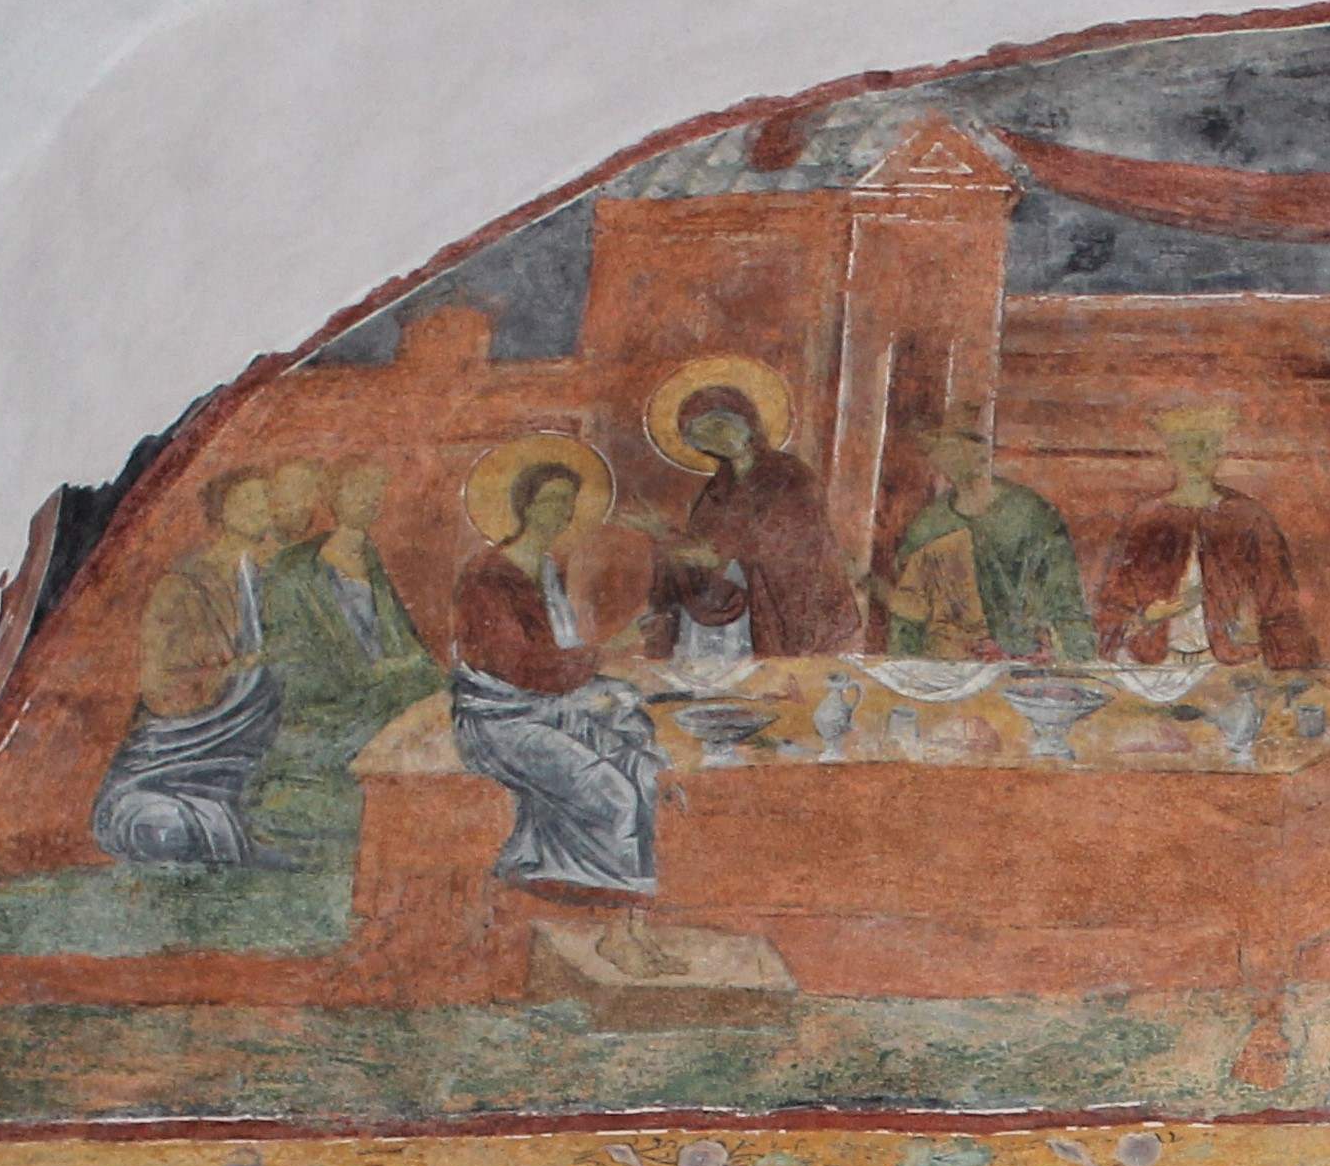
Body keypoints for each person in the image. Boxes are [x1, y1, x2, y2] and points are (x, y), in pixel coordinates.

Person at [446, 450, 664, 898]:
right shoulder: (488, 576)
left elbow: (555, 657)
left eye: (569, 501)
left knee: (642, 762)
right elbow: (521, 666)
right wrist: (607, 653)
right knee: (613, 796)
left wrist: (598, 673)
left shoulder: (547, 568)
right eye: (552, 500)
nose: (562, 512)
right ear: (525, 506)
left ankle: (560, 878)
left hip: (547, 703)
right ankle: (611, 906)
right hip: (502, 719)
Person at [246, 460, 440, 862]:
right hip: (324, 714)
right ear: (333, 497)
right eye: (356, 489)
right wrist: (369, 676)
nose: (368, 499)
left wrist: (409, 669)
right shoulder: (294, 567)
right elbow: (289, 662)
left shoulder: (372, 563)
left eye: (374, 491)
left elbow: (405, 644)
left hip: (386, 699)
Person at [96, 469, 287, 866]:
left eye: (264, 500)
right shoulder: (185, 582)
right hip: (185, 740)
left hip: (257, 736)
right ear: (221, 511)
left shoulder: (279, 573)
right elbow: (163, 683)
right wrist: (239, 671)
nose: (259, 509)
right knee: (159, 826)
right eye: (246, 501)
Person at [1096, 402, 1318, 670]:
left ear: (1219, 452)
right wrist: (1148, 616)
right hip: (1150, 667)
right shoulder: (1145, 519)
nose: (1194, 455)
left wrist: (1287, 665)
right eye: (1183, 445)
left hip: (1227, 667)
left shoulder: (1249, 518)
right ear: (1170, 452)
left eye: (1205, 444)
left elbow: (1281, 606)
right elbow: (1113, 605)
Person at [656, 383, 859, 659]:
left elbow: (793, 539)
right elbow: (703, 546)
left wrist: (717, 554)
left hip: (786, 600)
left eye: (718, 425)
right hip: (733, 608)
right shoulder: (717, 490)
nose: (715, 438)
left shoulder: (789, 475)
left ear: (746, 422)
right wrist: (666, 537)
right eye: (701, 434)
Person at [882, 425, 1091, 660]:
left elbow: (1066, 601)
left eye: (962, 446)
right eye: (943, 449)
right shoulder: (928, 526)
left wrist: (1077, 664)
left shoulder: (1032, 514)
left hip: (1023, 666)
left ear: (984, 454)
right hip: (947, 668)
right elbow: (907, 617)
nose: (953, 457)